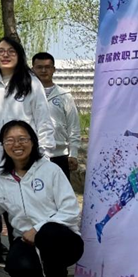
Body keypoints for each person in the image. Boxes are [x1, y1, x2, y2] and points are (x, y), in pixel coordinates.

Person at [0, 120, 83, 277]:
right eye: (10, 140)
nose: (17, 144)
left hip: (62, 240)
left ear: (33, 141)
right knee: (14, 264)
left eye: (22, 139)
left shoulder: (50, 170)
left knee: (48, 232)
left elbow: (71, 210)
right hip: (26, 241)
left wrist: (37, 229)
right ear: (3, 145)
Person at [0, 37, 54, 269]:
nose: (5, 55)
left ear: (19, 55)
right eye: (0, 51)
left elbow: (43, 121)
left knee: (28, 210)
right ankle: (18, 267)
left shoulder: (30, 83)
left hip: (27, 157)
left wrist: (44, 155)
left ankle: (34, 265)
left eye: (10, 51)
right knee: (7, 211)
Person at [32, 52, 81, 182]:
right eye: (39, 67)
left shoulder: (64, 96)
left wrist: (73, 153)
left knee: (60, 193)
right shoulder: (26, 95)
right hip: (33, 155)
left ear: (54, 69)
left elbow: (73, 127)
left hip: (60, 155)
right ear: (33, 69)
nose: (43, 70)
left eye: (47, 67)